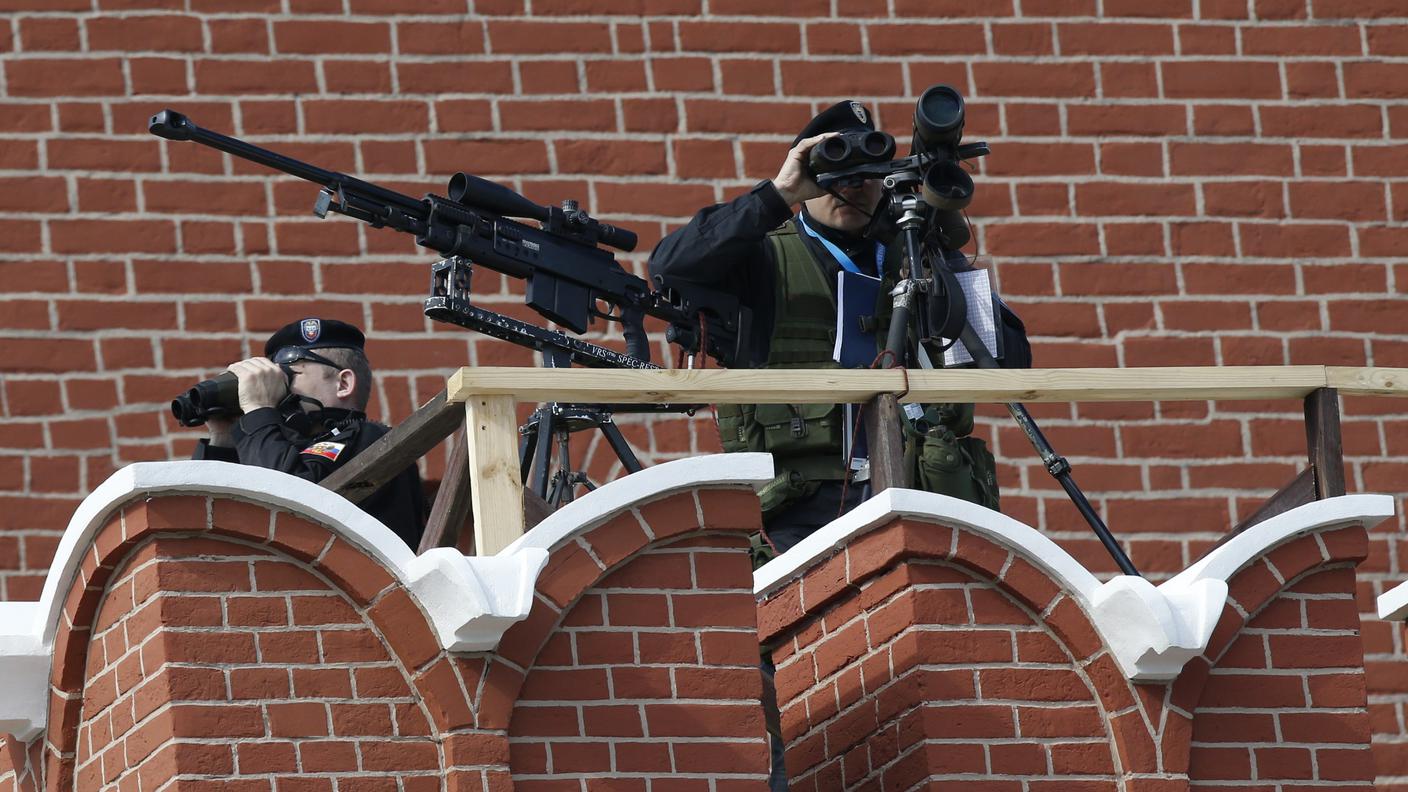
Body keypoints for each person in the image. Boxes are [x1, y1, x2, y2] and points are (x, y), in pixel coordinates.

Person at [649, 100, 1032, 556]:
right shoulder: (765, 259)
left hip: (921, 493)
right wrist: (777, 195)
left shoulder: (914, 254)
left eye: (866, 173)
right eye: (836, 174)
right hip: (801, 510)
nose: (852, 186)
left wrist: (937, 247)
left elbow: (1010, 362)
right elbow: (670, 268)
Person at [192, 317, 427, 550]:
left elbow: (287, 503)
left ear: (343, 383)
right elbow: (208, 523)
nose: (278, 389)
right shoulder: (286, 448)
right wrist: (224, 438)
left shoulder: (372, 439)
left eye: (289, 375)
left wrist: (258, 410)